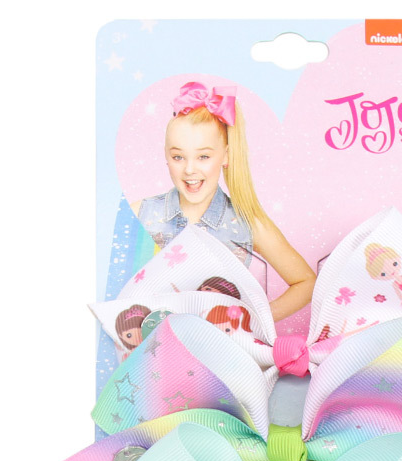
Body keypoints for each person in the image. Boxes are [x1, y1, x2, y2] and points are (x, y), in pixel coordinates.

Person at [131, 82, 315, 323]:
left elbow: (305, 282)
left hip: (220, 345)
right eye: (178, 157)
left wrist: (251, 321)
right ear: (166, 156)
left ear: (226, 155)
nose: (189, 169)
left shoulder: (246, 222)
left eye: (203, 156)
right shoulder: (140, 214)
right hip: (153, 342)